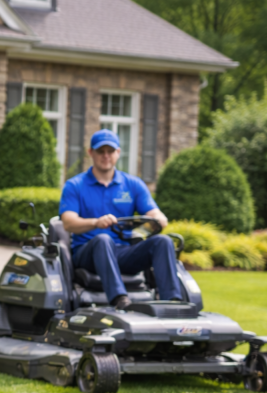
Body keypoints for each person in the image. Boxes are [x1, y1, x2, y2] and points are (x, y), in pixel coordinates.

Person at [59, 129, 182, 310]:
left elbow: (158, 217)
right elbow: (68, 222)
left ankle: (172, 303)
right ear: (91, 153)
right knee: (103, 239)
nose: (106, 156)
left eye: (110, 151)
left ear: (118, 153)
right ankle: (120, 300)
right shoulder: (75, 185)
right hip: (88, 254)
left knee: (162, 241)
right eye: (101, 151)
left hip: (124, 253)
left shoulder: (133, 184)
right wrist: (95, 222)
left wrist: (155, 220)